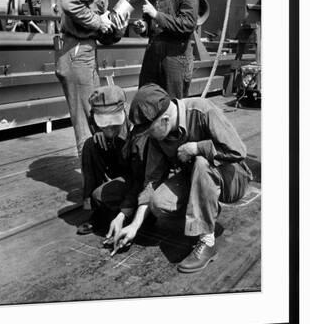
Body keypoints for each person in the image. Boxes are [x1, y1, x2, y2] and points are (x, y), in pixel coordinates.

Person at [106, 83, 253, 273]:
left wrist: (197, 148)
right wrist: (134, 225)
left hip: (232, 178)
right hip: (195, 178)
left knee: (201, 162)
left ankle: (207, 241)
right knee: (159, 203)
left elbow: (238, 150)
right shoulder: (158, 135)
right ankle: (202, 208)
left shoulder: (203, 110)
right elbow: (152, 180)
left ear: (165, 120)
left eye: (149, 131)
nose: (149, 137)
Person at [56, 0, 142, 164]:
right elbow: (70, 4)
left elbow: (97, 26)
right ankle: (90, 183)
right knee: (85, 121)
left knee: (95, 114)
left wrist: (114, 27)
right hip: (76, 51)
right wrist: (98, 21)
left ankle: (95, 174)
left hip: (85, 49)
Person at [77, 85, 145, 235]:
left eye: (114, 124)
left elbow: (140, 179)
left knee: (100, 195)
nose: (109, 128)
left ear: (123, 113)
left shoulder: (136, 133)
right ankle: (96, 211)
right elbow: (94, 121)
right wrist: (98, 133)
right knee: (90, 145)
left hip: (135, 180)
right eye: (104, 123)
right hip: (116, 174)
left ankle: (127, 215)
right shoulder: (97, 126)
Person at [136, 0, 199, 98]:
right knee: (146, 100)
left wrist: (157, 15)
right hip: (153, 55)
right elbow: (149, 20)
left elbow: (188, 24)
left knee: (173, 108)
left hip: (175, 58)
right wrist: (143, 26)